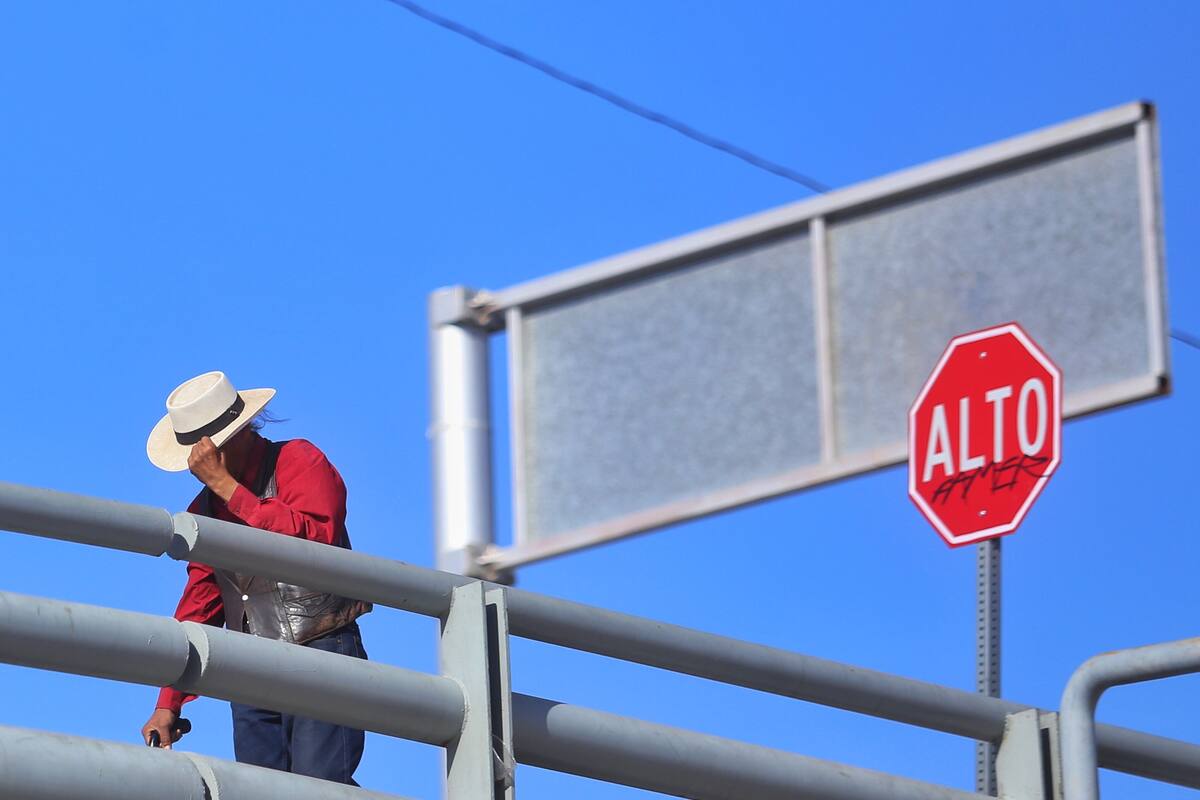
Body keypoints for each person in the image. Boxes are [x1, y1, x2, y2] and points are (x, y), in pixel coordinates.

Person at [139, 370, 371, 785]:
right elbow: (200, 602)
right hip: (250, 669)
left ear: (240, 430)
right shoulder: (204, 511)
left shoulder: (298, 460)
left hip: (322, 648)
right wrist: (169, 702)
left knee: (321, 785)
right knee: (260, 790)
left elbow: (316, 536)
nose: (204, 459)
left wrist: (230, 489)